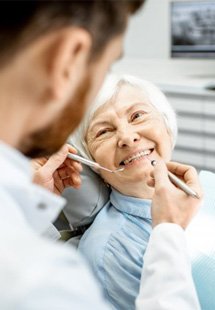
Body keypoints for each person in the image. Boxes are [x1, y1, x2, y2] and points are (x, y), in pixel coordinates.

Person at [0, 1, 146, 308]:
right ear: (69, 59)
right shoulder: (47, 284)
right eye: (105, 68)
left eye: (138, 116)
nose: (128, 136)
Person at [70, 74, 204, 309]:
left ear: (166, 124)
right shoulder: (109, 253)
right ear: (91, 162)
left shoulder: (205, 191)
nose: (127, 137)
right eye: (103, 132)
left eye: (137, 116)